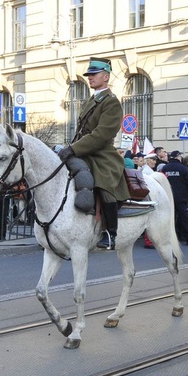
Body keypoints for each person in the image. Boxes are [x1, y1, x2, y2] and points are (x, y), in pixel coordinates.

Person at [57, 56, 129, 251]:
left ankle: (109, 233)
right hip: (83, 151)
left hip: (102, 154)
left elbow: (101, 134)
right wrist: (68, 148)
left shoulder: (111, 102)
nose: (89, 77)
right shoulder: (93, 99)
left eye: (93, 74)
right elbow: (81, 131)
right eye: (88, 74)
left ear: (106, 76)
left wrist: (74, 149)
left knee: (104, 184)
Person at [160, 150, 188, 245]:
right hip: (181, 198)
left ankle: (170, 238)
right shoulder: (183, 168)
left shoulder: (165, 168)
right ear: (177, 157)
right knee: (184, 218)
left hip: (168, 197)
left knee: (170, 218)